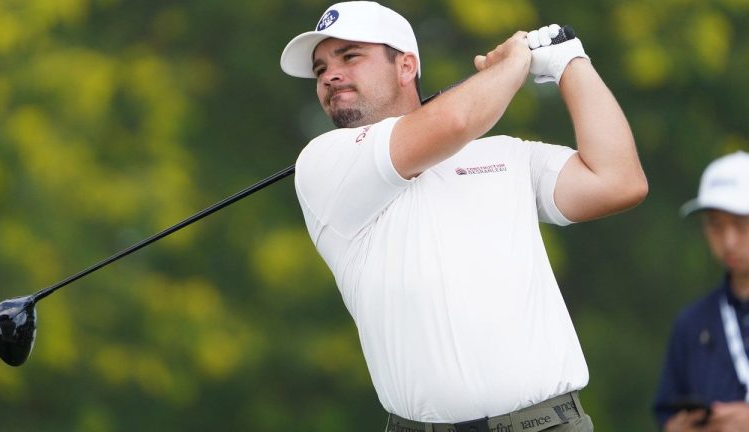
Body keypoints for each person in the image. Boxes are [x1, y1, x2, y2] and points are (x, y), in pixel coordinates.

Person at [280, 2, 647, 431]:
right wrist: (514, 63)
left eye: (349, 56)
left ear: (405, 66)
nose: (330, 75)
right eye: (321, 69)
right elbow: (454, 121)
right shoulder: (324, 163)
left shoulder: (507, 155)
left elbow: (618, 181)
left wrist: (570, 62)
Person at [654, 150, 749, 432]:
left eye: (741, 225)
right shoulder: (691, 323)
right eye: (715, 225)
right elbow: (666, 418)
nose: (728, 241)